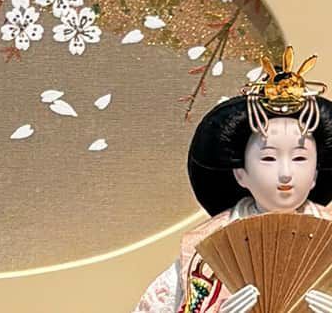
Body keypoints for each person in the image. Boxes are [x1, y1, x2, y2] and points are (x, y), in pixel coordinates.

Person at [134, 47, 332, 312]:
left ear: (316, 174)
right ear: (241, 173)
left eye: (299, 158)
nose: (286, 173)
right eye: (269, 158)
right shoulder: (204, 250)